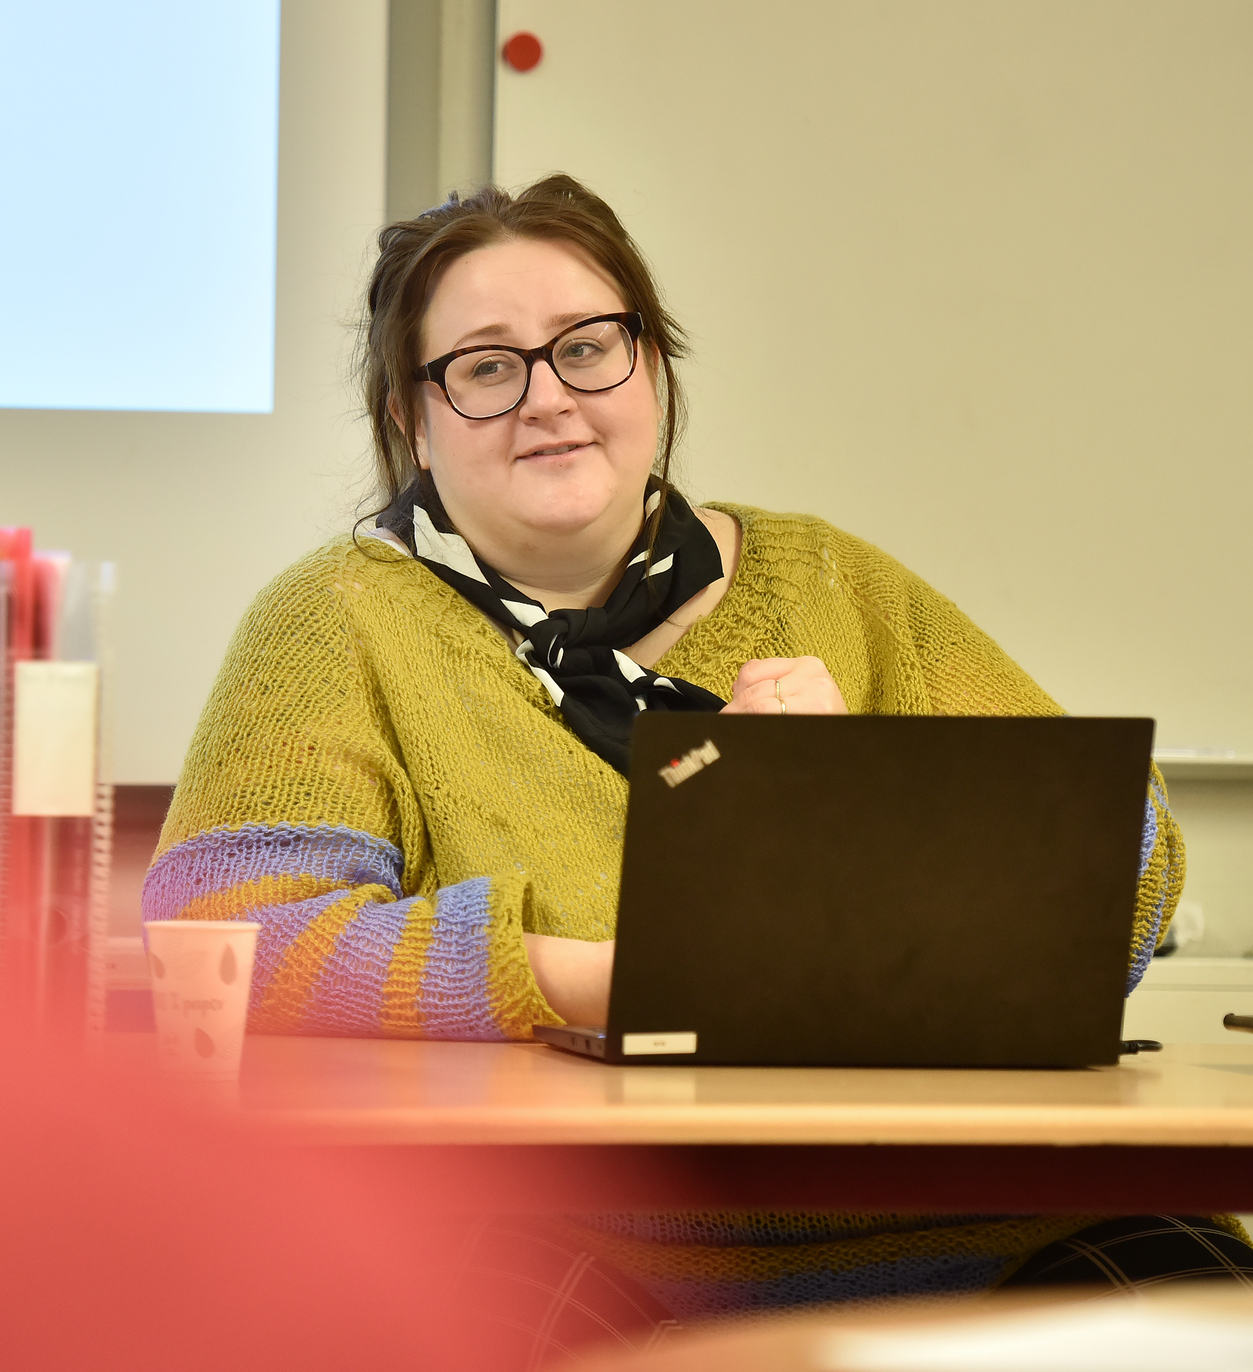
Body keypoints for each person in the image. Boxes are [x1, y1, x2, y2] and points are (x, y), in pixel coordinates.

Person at [143, 175, 1244, 1349]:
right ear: (412, 415)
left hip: (990, 1229)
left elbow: (1125, 876)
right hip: (577, 1237)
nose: (547, 397)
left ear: (652, 368)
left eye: (586, 347)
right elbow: (225, 938)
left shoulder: (829, 582)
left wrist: (873, 788)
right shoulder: (335, 621)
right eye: (484, 366)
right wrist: (596, 981)